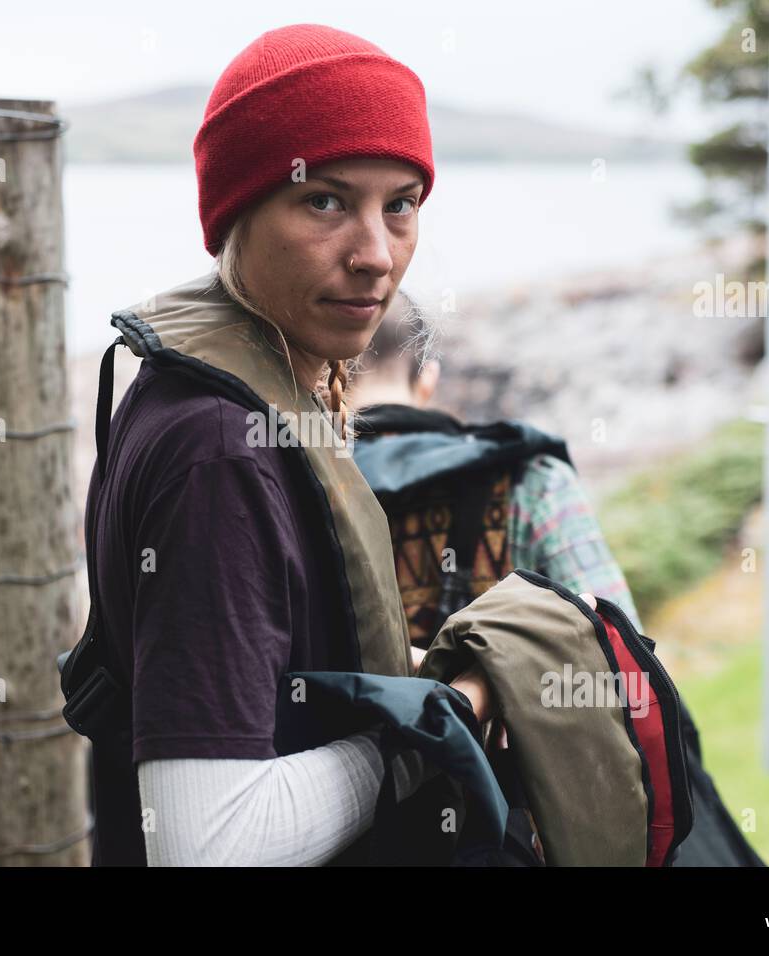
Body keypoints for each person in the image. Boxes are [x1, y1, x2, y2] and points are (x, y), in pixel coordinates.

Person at [83, 23, 598, 867]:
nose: (376, 257)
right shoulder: (221, 451)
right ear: (234, 212)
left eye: (400, 204)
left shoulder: (228, 390)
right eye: (324, 199)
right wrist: (446, 717)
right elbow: (209, 844)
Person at [347, 297, 645, 633]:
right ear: (428, 377)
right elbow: (623, 654)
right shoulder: (532, 478)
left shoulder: (299, 488)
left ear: (328, 380)